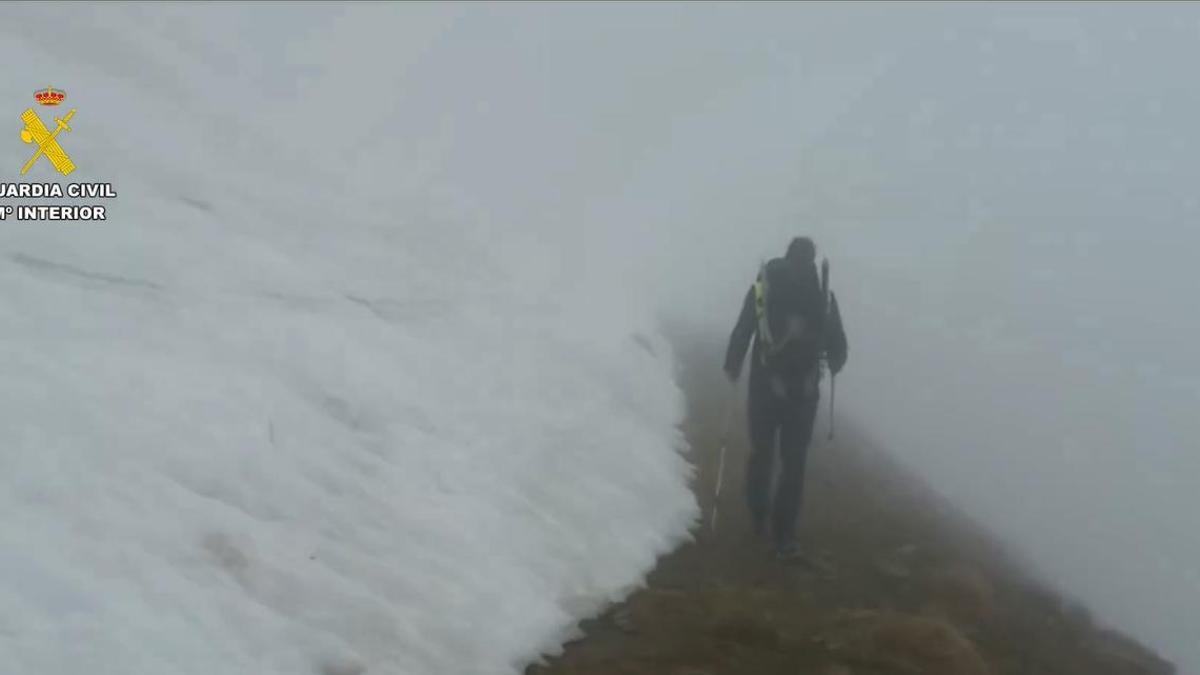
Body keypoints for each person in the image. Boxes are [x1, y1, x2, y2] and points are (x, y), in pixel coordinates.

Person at [723, 236, 847, 560]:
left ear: (786, 255)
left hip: (765, 386)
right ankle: (785, 536)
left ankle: (757, 519)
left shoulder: (764, 287)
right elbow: (839, 350)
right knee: (794, 462)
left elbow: (743, 329)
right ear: (811, 260)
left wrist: (733, 365)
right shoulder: (822, 295)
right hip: (804, 393)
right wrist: (833, 361)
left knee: (762, 453)